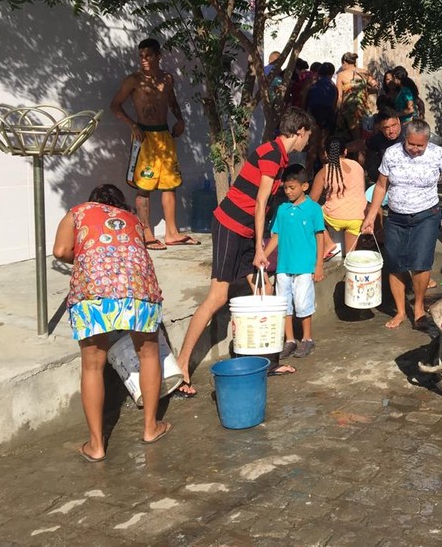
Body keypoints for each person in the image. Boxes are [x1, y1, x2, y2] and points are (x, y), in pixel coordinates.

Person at [174, 107, 315, 396]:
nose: (308, 141)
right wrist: (262, 248)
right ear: (300, 131)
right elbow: (261, 201)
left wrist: (257, 244)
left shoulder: (279, 155)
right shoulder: (273, 155)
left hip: (246, 231)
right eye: (308, 136)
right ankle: (182, 365)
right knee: (217, 297)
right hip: (230, 225)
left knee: (264, 294)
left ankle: (268, 360)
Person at [52, 184, 171, 462]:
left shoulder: (78, 211)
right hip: (138, 289)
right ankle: (151, 427)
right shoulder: (133, 219)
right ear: (120, 204)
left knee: (93, 364)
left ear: (92, 202)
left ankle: (96, 445)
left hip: (92, 290)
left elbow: (59, 251)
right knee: (149, 353)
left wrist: (82, 257)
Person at [360, 119, 442, 330]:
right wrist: (371, 216)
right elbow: (381, 186)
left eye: (421, 145)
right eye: (412, 144)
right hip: (396, 217)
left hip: (426, 216)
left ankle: (418, 308)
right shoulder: (392, 153)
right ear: (405, 138)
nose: (416, 149)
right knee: (395, 264)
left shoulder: (437, 153)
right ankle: (401, 311)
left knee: (421, 262)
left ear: (427, 141)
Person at [110, 37, 199, 250]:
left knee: (170, 185)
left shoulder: (167, 79)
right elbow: (115, 105)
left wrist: (180, 119)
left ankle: (172, 232)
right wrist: (133, 125)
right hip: (145, 138)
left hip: (164, 136)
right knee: (144, 186)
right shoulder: (133, 80)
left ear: (158, 56)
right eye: (141, 56)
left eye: (148, 56)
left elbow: (173, 102)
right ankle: (146, 233)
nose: (144, 60)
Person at [261, 165, 325, 359]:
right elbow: (276, 236)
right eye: (285, 188)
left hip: (305, 266)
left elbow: (320, 236)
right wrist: (263, 255)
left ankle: (307, 339)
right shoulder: (282, 209)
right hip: (283, 266)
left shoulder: (313, 208)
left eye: (292, 187)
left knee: (303, 303)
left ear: (304, 186)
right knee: (284, 304)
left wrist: (318, 265)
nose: (288, 192)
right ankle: (289, 340)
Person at [310, 135, 368, 259]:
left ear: (326, 154)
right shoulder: (358, 167)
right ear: (345, 151)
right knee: (351, 259)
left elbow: (312, 200)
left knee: (310, 210)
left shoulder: (325, 170)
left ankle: (328, 242)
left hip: (334, 217)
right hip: (357, 217)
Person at [336, 52, 378, 139]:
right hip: (365, 109)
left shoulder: (341, 75)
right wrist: (364, 90)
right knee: (366, 138)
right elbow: (375, 87)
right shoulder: (365, 72)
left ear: (344, 62)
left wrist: (339, 114)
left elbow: (339, 96)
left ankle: (358, 152)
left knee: (356, 138)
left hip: (350, 112)